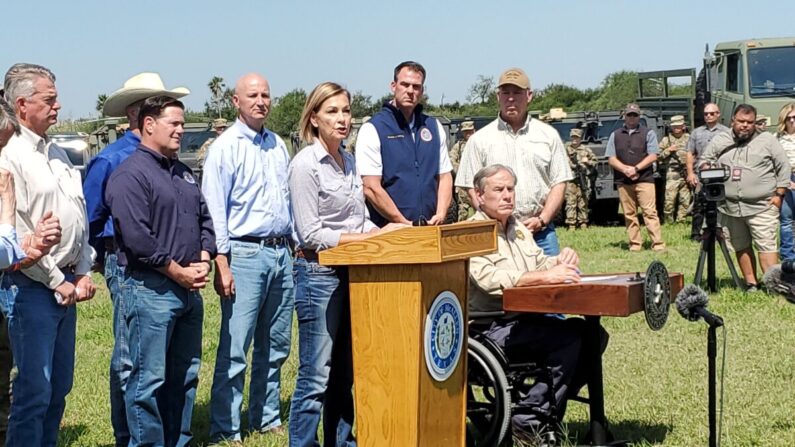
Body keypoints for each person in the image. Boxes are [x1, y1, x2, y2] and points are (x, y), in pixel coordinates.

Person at [287, 81, 406, 447]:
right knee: (315, 376)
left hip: (354, 272)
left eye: (346, 111)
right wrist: (366, 239)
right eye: (332, 112)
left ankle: (342, 442)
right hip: (318, 275)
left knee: (345, 373)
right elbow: (310, 233)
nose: (342, 119)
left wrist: (389, 231)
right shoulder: (305, 165)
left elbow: (357, 221)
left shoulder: (350, 161)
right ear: (314, 118)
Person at [83, 72, 189, 447]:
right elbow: (92, 217)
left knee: (153, 358)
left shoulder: (170, 160)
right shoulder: (111, 160)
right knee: (132, 360)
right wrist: (104, 255)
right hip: (127, 259)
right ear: (138, 115)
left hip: (164, 260)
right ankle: (129, 434)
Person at [466, 164, 606, 443]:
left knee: (592, 335)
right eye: (499, 190)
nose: (507, 195)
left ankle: (534, 411)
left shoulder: (518, 227)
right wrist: (545, 275)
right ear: (480, 196)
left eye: (511, 189)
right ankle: (530, 420)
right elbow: (491, 279)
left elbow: (540, 263)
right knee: (567, 340)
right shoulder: (470, 232)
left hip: (524, 319)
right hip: (488, 327)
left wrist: (560, 260)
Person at [106, 95, 216, 446]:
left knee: (185, 376)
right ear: (149, 125)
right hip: (151, 291)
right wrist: (177, 271)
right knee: (147, 382)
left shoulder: (183, 172)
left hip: (188, 291)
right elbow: (139, 239)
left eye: (183, 124)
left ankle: (178, 440)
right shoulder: (130, 176)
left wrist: (203, 257)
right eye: (175, 123)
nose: (181, 130)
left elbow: (205, 220)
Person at [0, 63, 96, 447]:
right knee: (34, 391)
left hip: (66, 285)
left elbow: (80, 214)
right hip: (32, 288)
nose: (58, 107)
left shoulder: (56, 151)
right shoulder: (10, 157)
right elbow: (18, 236)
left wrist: (84, 270)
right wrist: (58, 281)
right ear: (22, 104)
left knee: (59, 387)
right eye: (49, 99)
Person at [202, 73, 294, 442]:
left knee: (276, 344)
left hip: (280, 251)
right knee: (236, 346)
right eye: (252, 95)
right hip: (244, 252)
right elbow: (214, 209)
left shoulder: (278, 144)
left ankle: (266, 416)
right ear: (236, 102)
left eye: (266, 95)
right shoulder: (225, 147)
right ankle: (226, 426)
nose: (260, 101)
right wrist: (221, 262)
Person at [456, 67, 572, 255]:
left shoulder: (548, 135)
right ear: (497, 96)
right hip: (497, 234)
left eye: (517, 92)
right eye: (505, 93)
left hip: (541, 233)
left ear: (529, 95)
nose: (511, 98)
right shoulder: (480, 139)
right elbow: (470, 185)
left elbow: (559, 182)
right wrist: (491, 219)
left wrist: (542, 219)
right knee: (503, 284)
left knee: (553, 282)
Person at [0, 95, 62, 446]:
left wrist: (30, 247)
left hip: (24, 277)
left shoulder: (50, 153)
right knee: (32, 389)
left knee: (41, 387)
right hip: (25, 287)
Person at [700, 104, 790, 292]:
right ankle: (751, 284)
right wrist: (706, 168)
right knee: (740, 245)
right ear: (733, 120)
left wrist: (779, 194)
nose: (745, 125)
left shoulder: (767, 140)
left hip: (762, 205)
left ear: (755, 123)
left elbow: (783, 166)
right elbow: (704, 161)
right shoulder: (720, 140)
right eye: (741, 121)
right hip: (730, 207)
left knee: (766, 245)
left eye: (750, 122)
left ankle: (774, 286)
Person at [356, 61, 453, 227]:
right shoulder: (373, 128)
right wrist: (403, 222)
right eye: (405, 84)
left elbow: (444, 176)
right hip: (390, 230)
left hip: (431, 227)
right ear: (393, 86)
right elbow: (371, 187)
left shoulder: (433, 127)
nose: (410, 91)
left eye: (416, 87)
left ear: (422, 91)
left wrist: (441, 213)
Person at [606, 103, 665, 251]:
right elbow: (611, 158)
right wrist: (625, 169)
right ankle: (635, 244)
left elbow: (653, 156)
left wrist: (636, 168)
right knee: (629, 214)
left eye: (635, 115)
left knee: (650, 212)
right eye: (629, 115)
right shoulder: (615, 135)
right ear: (624, 117)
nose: (632, 118)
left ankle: (657, 244)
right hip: (623, 181)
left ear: (639, 117)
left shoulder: (648, 133)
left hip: (644, 179)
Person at [687, 103, 730, 241]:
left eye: (712, 113)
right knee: (699, 204)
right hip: (701, 174)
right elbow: (689, 153)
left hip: (720, 174)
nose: (708, 116)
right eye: (706, 114)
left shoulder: (726, 132)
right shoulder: (696, 132)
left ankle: (719, 233)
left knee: (721, 204)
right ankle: (695, 234)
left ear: (718, 114)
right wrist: (690, 173)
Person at [658, 115, 691, 223]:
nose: (677, 128)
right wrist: (668, 150)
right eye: (674, 126)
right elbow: (657, 156)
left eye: (679, 126)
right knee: (669, 200)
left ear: (683, 126)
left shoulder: (689, 138)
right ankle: (668, 222)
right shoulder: (666, 140)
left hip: (686, 172)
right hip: (672, 173)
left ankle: (681, 220)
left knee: (685, 200)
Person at [564, 128, 596, 229]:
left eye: (576, 137)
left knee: (583, 201)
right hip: (570, 179)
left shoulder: (586, 150)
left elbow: (595, 161)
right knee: (570, 202)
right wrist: (570, 165)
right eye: (573, 137)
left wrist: (588, 162)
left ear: (580, 138)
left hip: (583, 179)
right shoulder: (565, 149)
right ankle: (571, 224)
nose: (574, 139)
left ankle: (583, 222)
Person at [775, 103, 795, 262]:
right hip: (785, 179)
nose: (792, 121)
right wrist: (785, 181)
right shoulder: (776, 139)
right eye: (789, 118)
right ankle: (788, 257)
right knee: (786, 220)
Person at [450, 120, 476, 221]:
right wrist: (462, 170)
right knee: (463, 211)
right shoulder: (459, 145)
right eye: (465, 132)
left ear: (474, 130)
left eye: (470, 131)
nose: (468, 134)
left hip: (478, 183)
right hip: (463, 185)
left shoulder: (480, 142)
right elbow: (451, 159)